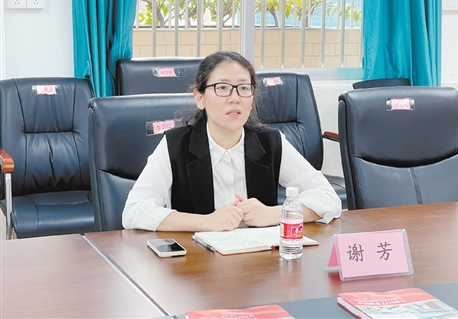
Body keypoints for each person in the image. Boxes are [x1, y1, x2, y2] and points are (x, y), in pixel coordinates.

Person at [122, 51, 342, 232]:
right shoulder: (175, 144)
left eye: (244, 88)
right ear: (200, 98)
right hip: (196, 263)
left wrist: (274, 213)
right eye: (222, 88)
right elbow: (134, 211)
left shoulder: (271, 142)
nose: (235, 98)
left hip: (260, 262)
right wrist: (207, 222)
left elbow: (328, 198)